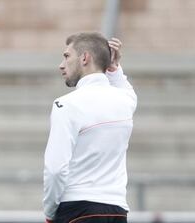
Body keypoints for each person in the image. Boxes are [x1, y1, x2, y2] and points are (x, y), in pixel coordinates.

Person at [43, 32, 137, 223]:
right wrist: (113, 68)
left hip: (77, 210)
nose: (61, 65)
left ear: (85, 58)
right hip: (117, 211)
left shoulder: (66, 105)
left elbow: (55, 170)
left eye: (67, 56)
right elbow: (124, 86)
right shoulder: (125, 100)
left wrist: (50, 213)